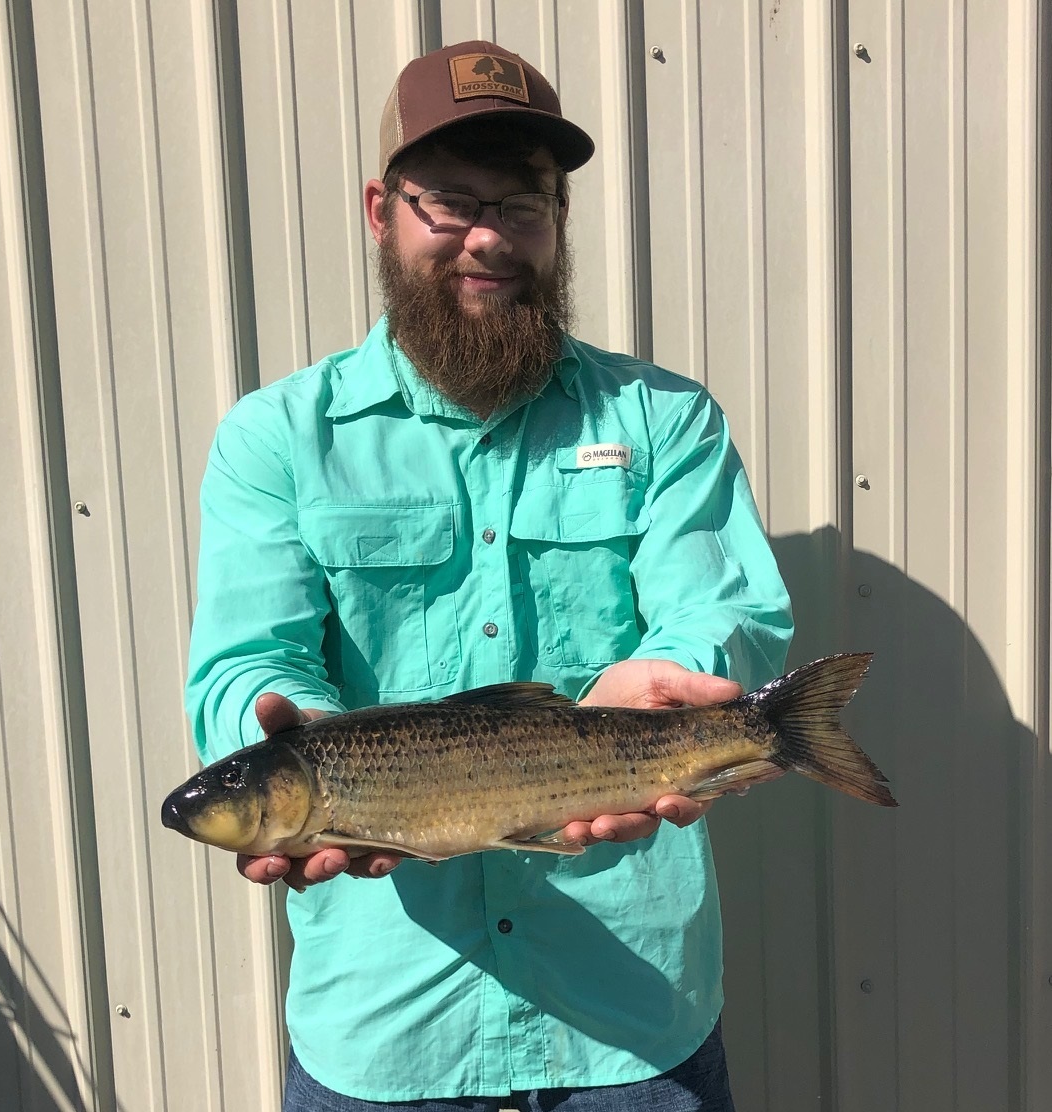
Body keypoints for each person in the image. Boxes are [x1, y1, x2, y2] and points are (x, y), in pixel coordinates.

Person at [185, 40, 792, 1112]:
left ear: (556, 225)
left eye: (521, 206)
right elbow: (247, 660)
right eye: (451, 202)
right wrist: (305, 750)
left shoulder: (660, 421)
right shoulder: (277, 436)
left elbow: (721, 604)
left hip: (629, 1019)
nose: (487, 238)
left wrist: (674, 672)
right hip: (387, 1024)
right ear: (382, 209)